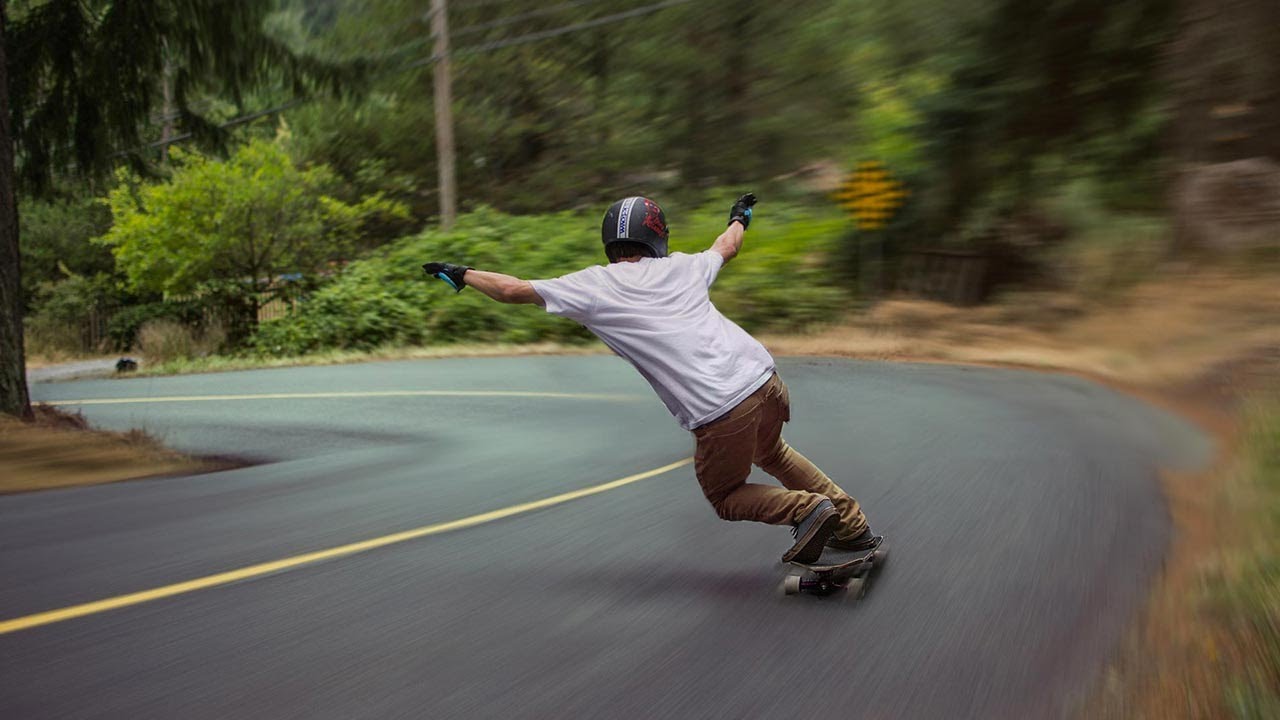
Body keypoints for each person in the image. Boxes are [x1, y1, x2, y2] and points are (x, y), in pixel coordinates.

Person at [422, 194, 875, 564]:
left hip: (720, 408)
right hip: (765, 380)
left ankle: (806, 510)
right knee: (772, 452)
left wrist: (462, 273)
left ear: (610, 242)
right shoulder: (684, 266)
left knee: (727, 495)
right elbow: (727, 246)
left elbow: (510, 290)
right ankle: (853, 528)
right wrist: (740, 218)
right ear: (658, 237)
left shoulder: (593, 285)